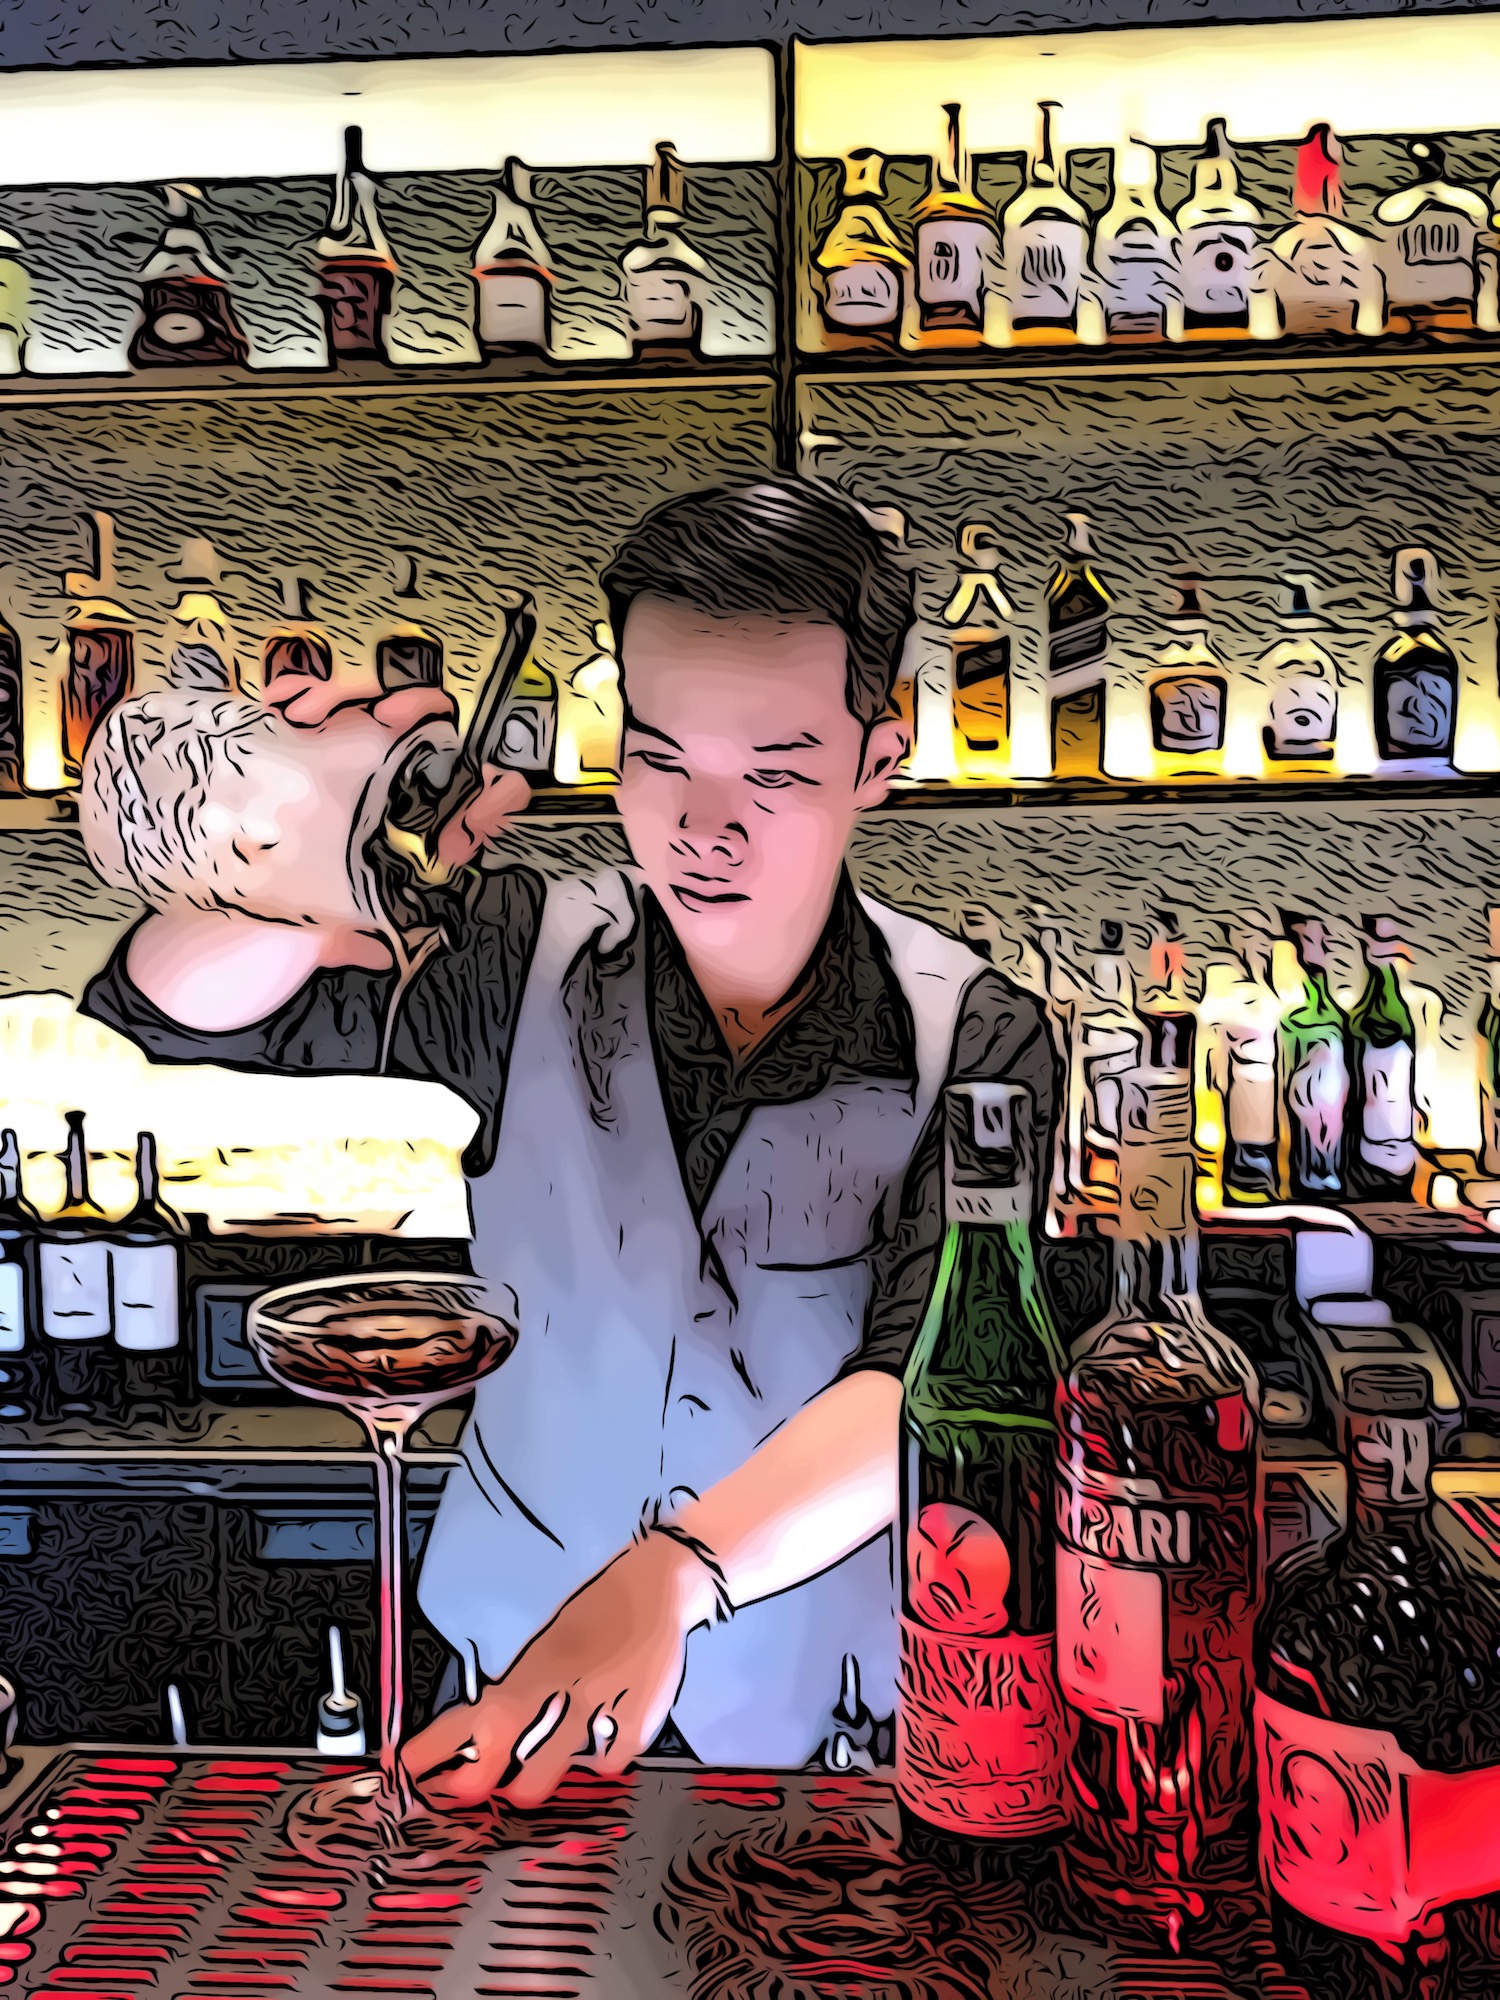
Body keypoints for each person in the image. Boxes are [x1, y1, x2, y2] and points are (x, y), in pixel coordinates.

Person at [81, 475, 1056, 1811]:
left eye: (775, 773)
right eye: (660, 759)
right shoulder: (516, 953)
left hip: (828, 1737)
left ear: (877, 763)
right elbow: (168, 1006)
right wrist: (307, 850)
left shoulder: (978, 1036)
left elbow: (927, 1379)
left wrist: (679, 1574)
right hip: (506, 1697)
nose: (704, 827)